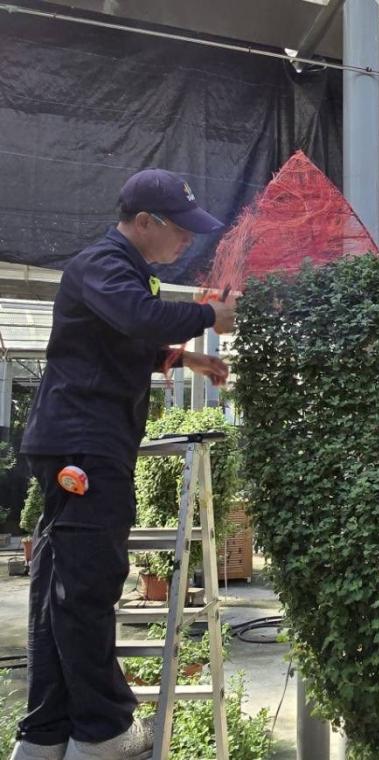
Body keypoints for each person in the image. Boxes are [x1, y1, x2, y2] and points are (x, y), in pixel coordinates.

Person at [11, 169, 236, 760]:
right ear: (144, 222)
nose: (187, 242)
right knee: (87, 586)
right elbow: (135, 318)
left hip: (76, 441)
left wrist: (183, 356)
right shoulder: (103, 264)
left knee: (56, 590)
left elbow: (120, 337)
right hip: (86, 444)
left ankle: (45, 732)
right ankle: (104, 728)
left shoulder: (124, 273)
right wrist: (210, 319)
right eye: (180, 230)